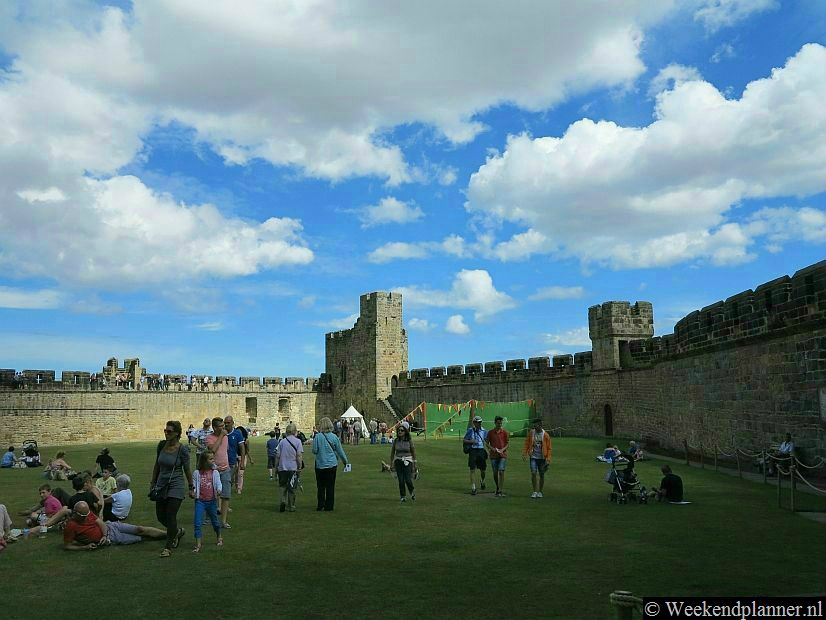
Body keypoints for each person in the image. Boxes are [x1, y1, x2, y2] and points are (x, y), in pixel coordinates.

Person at [150, 420, 192, 558]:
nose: (166, 433)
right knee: (160, 516)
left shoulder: (182, 449)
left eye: (169, 431)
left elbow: (187, 470)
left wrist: (191, 487)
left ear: (177, 434)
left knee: (170, 515)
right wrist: (153, 483)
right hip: (161, 485)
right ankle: (177, 532)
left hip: (176, 485)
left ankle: (168, 547)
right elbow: (157, 465)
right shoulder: (161, 445)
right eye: (165, 431)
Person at [63, 501, 166, 550]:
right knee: (140, 538)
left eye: (87, 514)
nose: (86, 517)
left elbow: (101, 523)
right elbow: (67, 545)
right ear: (76, 513)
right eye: (83, 516)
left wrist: (103, 535)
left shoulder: (86, 513)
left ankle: (170, 533)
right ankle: (170, 536)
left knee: (140, 529)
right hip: (112, 538)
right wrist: (85, 547)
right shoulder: (71, 526)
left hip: (111, 526)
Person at [312, 417, 350, 511]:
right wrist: (345, 462)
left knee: (320, 486)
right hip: (331, 465)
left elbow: (315, 450)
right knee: (330, 486)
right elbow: (340, 451)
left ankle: (320, 504)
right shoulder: (334, 437)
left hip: (320, 464)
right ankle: (329, 506)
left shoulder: (318, 436)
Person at [189, 451, 223, 552]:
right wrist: (193, 493)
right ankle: (198, 544)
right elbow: (194, 486)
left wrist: (219, 490)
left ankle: (219, 537)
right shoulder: (197, 473)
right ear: (204, 461)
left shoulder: (215, 472)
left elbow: (218, 484)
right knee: (197, 522)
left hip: (212, 501)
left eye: (213, 458)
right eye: (210, 459)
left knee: (215, 522)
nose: (213, 461)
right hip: (200, 501)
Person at [205, 417, 232, 529]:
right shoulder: (209, 438)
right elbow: (212, 450)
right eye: (221, 426)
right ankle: (209, 518)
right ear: (215, 427)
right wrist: (221, 436)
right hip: (213, 471)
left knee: (225, 496)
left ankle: (224, 521)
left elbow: (226, 450)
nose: (223, 427)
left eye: (223, 425)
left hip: (225, 470)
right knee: (211, 496)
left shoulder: (226, 437)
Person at [276, 423, 303, 513]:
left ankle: (283, 501)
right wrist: (299, 466)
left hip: (282, 467)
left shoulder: (282, 442)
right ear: (295, 431)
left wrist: (276, 467)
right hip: (293, 468)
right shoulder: (298, 442)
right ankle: (291, 506)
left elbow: (278, 455)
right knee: (292, 488)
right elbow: (299, 455)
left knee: (283, 486)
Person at [522, 418, 552, 499]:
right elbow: (527, 443)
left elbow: (549, 448)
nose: (534, 427)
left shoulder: (545, 435)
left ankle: (540, 492)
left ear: (540, 425)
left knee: (542, 474)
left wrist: (548, 459)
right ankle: (535, 491)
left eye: (536, 425)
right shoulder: (531, 433)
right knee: (533, 473)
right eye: (534, 425)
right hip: (533, 457)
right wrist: (524, 453)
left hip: (542, 458)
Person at [390, 421, 417, 502]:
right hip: (398, 461)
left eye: (402, 430)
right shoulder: (396, 441)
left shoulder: (409, 441)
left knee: (408, 479)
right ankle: (403, 496)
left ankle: (412, 492)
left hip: (408, 461)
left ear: (405, 431)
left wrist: (415, 463)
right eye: (399, 430)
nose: (400, 432)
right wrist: (391, 463)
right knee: (401, 480)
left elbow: (413, 452)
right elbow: (392, 452)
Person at [462, 415, 488, 495]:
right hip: (473, 451)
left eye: (479, 422)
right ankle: (473, 487)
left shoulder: (484, 431)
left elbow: (487, 441)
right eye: (477, 422)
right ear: (474, 423)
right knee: (472, 469)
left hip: (480, 450)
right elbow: (464, 440)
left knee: (483, 469)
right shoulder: (470, 430)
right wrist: (471, 441)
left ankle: (482, 480)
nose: (478, 424)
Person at [485, 416, 509, 497]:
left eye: (501, 423)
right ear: (495, 423)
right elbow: (486, 443)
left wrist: (502, 449)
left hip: (502, 455)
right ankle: (498, 487)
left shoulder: (505, 432)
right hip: (493, 455)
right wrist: (492, 449)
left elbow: (507, 444)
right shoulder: (490, 432)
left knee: (501, 471)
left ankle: (500, 490)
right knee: (495, 473)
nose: (500, 425)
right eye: (498, 423)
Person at [224, 416, 246, 499]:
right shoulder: (222, 433)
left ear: (232, 423)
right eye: (225, 422)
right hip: (221, 462)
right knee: (224, 482)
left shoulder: (237, 433)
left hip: (232, 462)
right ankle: (222, 504)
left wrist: (242, 462)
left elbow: (242, 448)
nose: (226, 424)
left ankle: (224, 504)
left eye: (228, 423)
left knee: (229, 481)